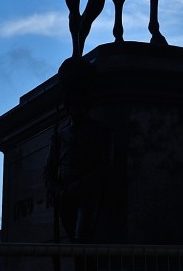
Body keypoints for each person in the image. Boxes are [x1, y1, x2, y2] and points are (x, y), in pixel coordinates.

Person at [43, 57, 113, 245]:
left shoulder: (98, 130)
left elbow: (104, 165)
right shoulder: (60, 135)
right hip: (65, 197)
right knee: (74, 245)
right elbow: (49, 170)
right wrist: (57, 190)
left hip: (87, 194)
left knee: (82, 241)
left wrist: (79, 185)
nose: (75, 108)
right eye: (72, 103)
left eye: (79, 103)